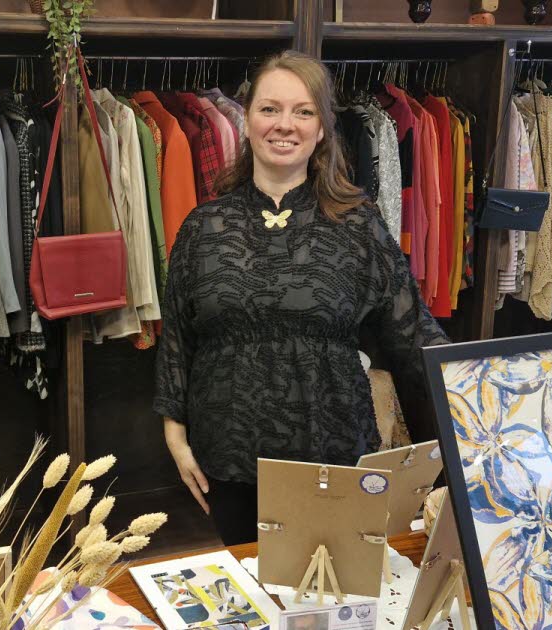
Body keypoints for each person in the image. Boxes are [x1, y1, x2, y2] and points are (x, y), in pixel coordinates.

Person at [153, 50, 448, 546]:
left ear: (322, 129)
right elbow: (179, 338)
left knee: (329, 607)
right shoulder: (203, 228)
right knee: (254, 604)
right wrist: (174, 434)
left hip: (332, 455)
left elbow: (413, 335)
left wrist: (484, 389)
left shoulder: (358, 225)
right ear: (246, 121)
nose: (284, 124)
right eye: (269, 109)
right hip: (228, 456)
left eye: (303, 111)